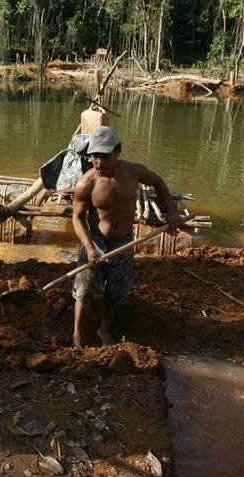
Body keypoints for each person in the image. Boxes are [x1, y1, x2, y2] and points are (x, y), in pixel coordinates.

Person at [71, 126, 186, 347]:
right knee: (84, 289)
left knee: (116, 289)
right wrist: (90, 247)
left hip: (124, 242)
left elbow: (158, 182)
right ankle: (77, 333)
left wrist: (171, 213)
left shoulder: (133, 172)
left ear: (118, 151)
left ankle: (104, 329)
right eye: (94, 156)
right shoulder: (87, 183)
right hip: (95, 241)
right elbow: (77, 217)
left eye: (105, 156)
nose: (99, 162)